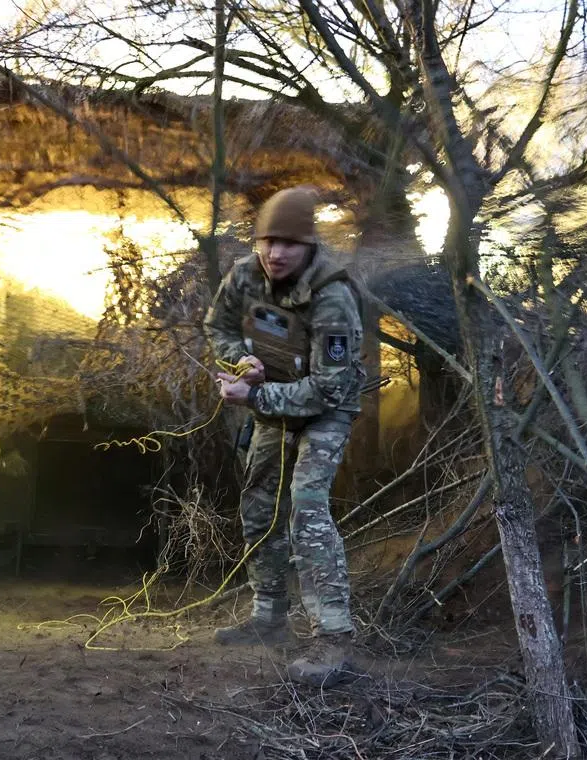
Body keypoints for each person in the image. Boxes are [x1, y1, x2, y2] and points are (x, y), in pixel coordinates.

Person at [203, 186, 364, 687]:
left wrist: (255, 396)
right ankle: (269, 616)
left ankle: (333, 639)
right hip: (271, 397)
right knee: (259, 503)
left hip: (325, 411)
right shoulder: (245, 275)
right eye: (267, 241)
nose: (275, 253)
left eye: (288, 243)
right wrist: (241, 362)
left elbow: (328, 389)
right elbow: (217, 326)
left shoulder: (332, 297)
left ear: (308, 245)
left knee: (306, 510)